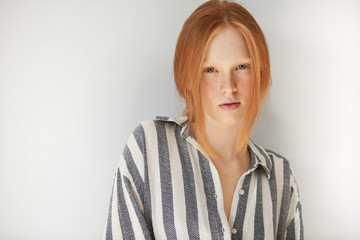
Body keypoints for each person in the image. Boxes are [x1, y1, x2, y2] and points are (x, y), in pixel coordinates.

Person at [104, 0, 304, 239]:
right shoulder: (148, 149)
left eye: (242, 67)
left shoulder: (280, 177)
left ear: (260, 73)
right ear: (188, 77)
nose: (228, 87)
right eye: (210, 70)